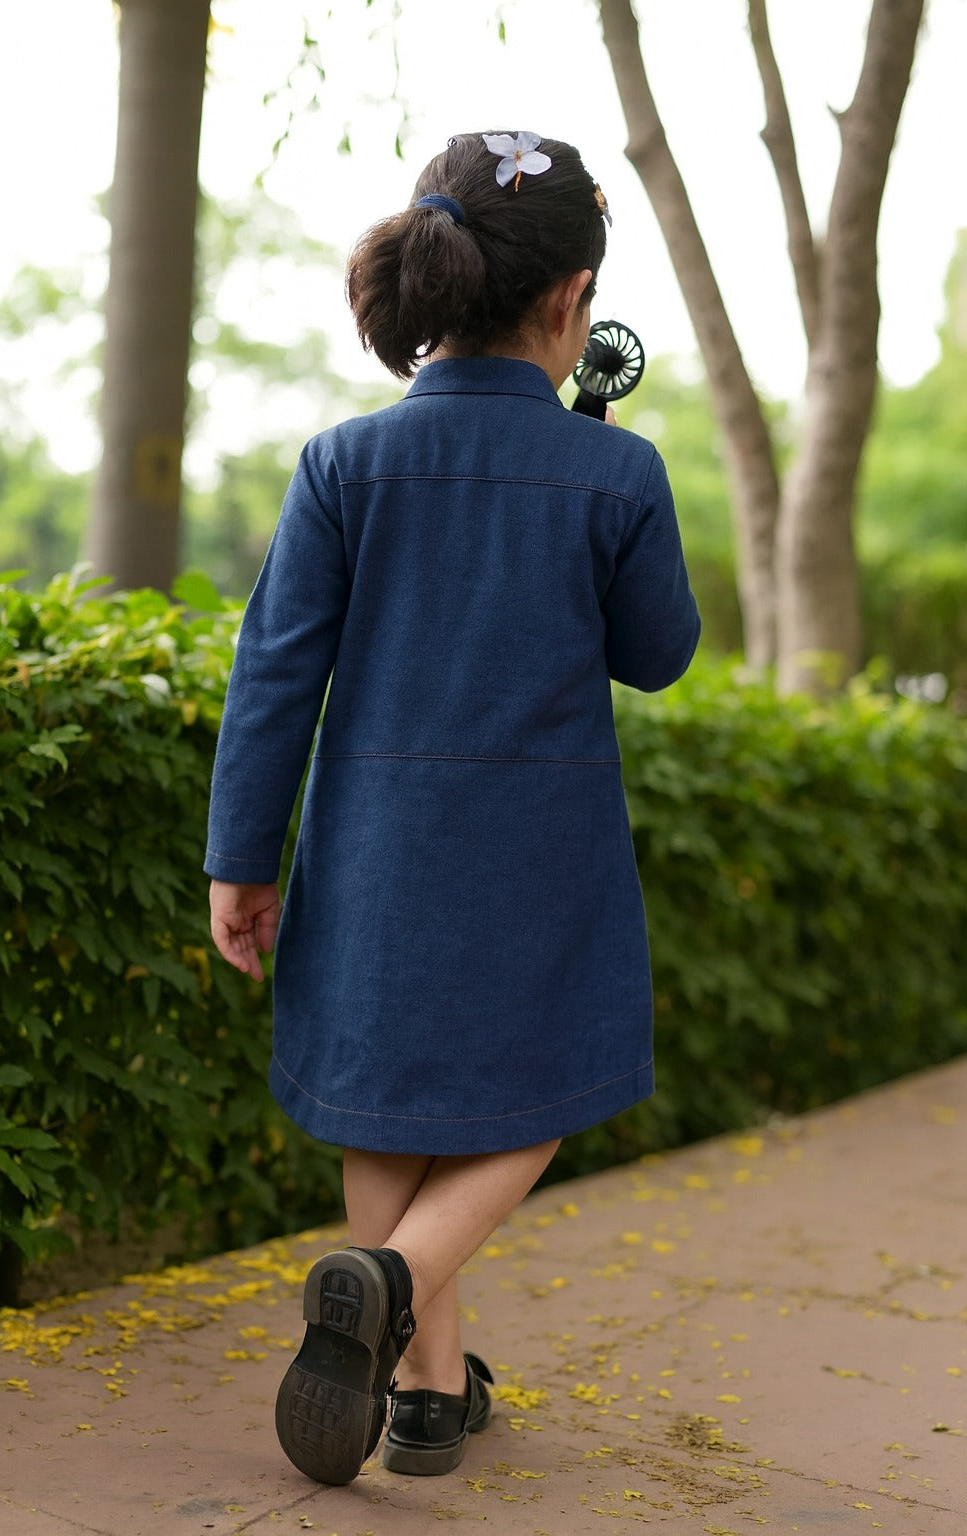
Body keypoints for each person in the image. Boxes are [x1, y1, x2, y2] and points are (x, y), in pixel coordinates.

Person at [205, 129, 700, 1487]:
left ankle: (425, 1397)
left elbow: (273, 674)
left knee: (388, 1094)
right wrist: (597, 483)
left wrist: (238, 860)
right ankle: (397, 1283)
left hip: (367, 853)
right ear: (568, 302)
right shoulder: (619, 475)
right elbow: (659, 653)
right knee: (538, 1089)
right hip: (542, 863)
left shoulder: (340, 466)